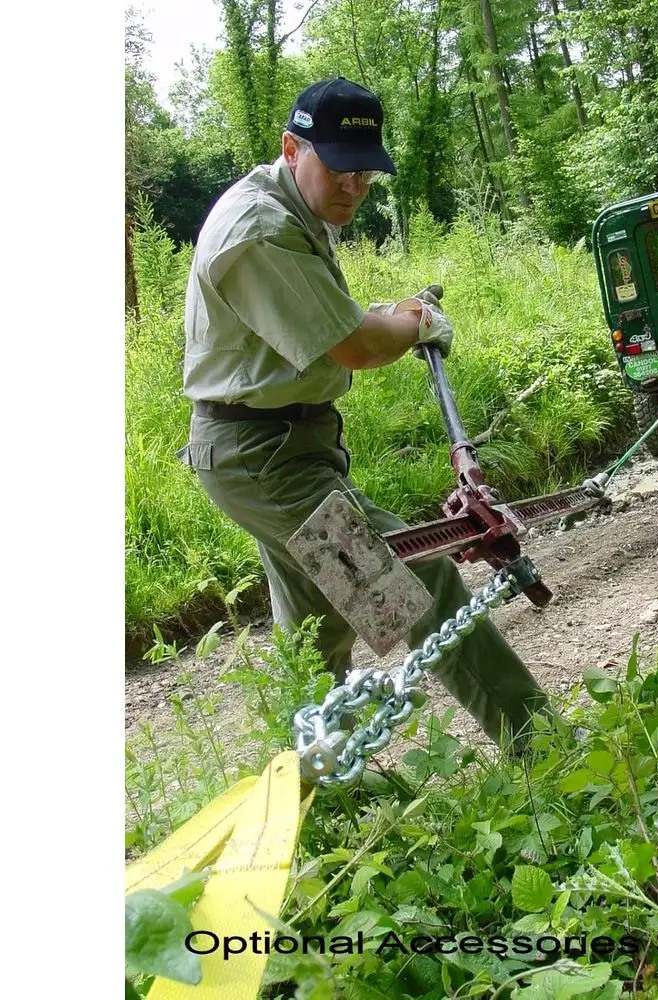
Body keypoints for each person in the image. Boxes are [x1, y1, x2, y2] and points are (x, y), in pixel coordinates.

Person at [179, 77, 548, 749]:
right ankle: (539, 743)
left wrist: (396, 318)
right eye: (339, 168)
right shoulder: (260, 229)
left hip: (283, 446)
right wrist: (416, 324)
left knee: (315, 629)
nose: (354, 185)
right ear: (292, 148)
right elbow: (353, 345)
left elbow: (325, 323)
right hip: (263, 457)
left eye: (366, 172)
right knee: (415, 576)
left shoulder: (294, 211)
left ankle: (320, 780)